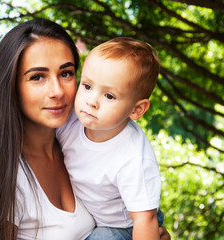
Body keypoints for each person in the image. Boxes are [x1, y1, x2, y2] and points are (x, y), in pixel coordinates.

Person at [0, 18, 171, 240]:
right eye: (37, 77)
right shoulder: (3, 179)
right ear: (10, 85)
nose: (57, 91)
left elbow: (142, 220)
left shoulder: (85, 135)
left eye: (66, 73)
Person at [57, 37, 162, 240]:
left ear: (136, 109)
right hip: (92, 217)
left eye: (109, 96)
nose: (92, 101)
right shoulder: (70, 121)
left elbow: (145, 220)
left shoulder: (133, 157)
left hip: (126, 226)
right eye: (87, 86)